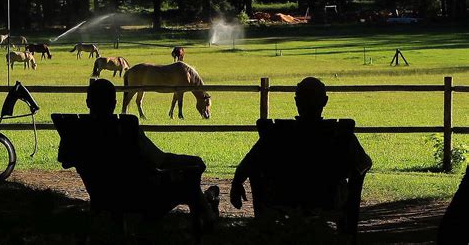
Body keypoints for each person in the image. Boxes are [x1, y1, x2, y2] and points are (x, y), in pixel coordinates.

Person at [84, 79, 219, 229]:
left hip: (102, 194)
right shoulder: (127, 128)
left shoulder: (75, 130)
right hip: (140, 195)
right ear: (114, 103)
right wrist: (195, 161)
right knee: (189, 182)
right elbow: (160, 160)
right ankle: (208, 214)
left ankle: (207, 203)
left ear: (88, 102)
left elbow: (65, 160)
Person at [230, 77, 372, 218]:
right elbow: (364, 163)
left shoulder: (277, 133)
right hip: (329, 199)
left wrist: (237, 182)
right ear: (325, 101)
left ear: (296, 101)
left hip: (283, 198)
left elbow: (250, 162)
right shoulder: (340, 134)